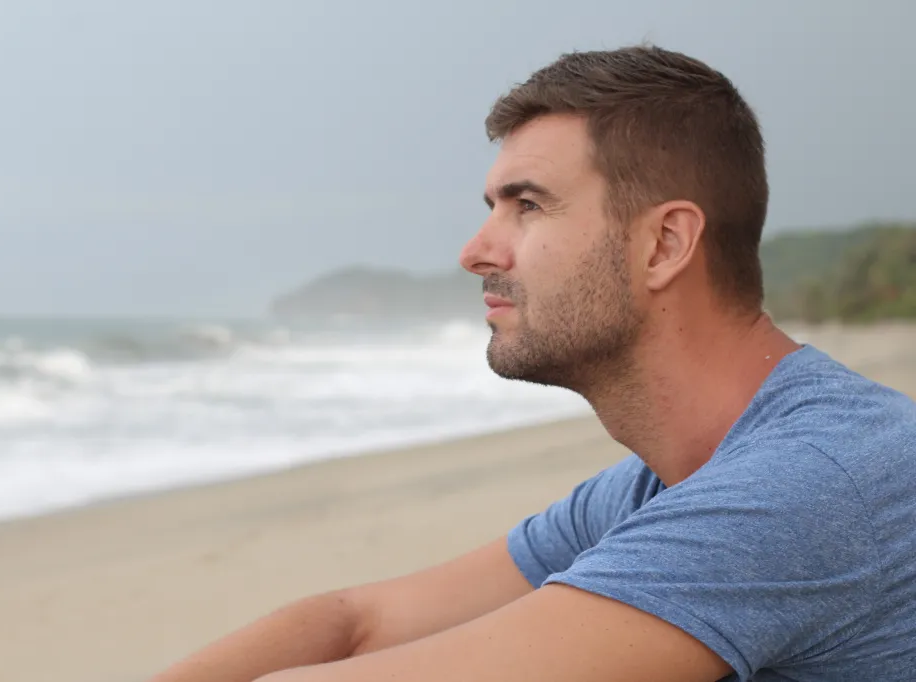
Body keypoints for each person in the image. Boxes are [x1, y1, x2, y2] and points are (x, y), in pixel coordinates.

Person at [150, 45, 916, 682]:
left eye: (527, 205)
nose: (476, 250)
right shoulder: (664, 482)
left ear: (665, 245)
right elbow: (357, 622)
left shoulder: (807, 485)